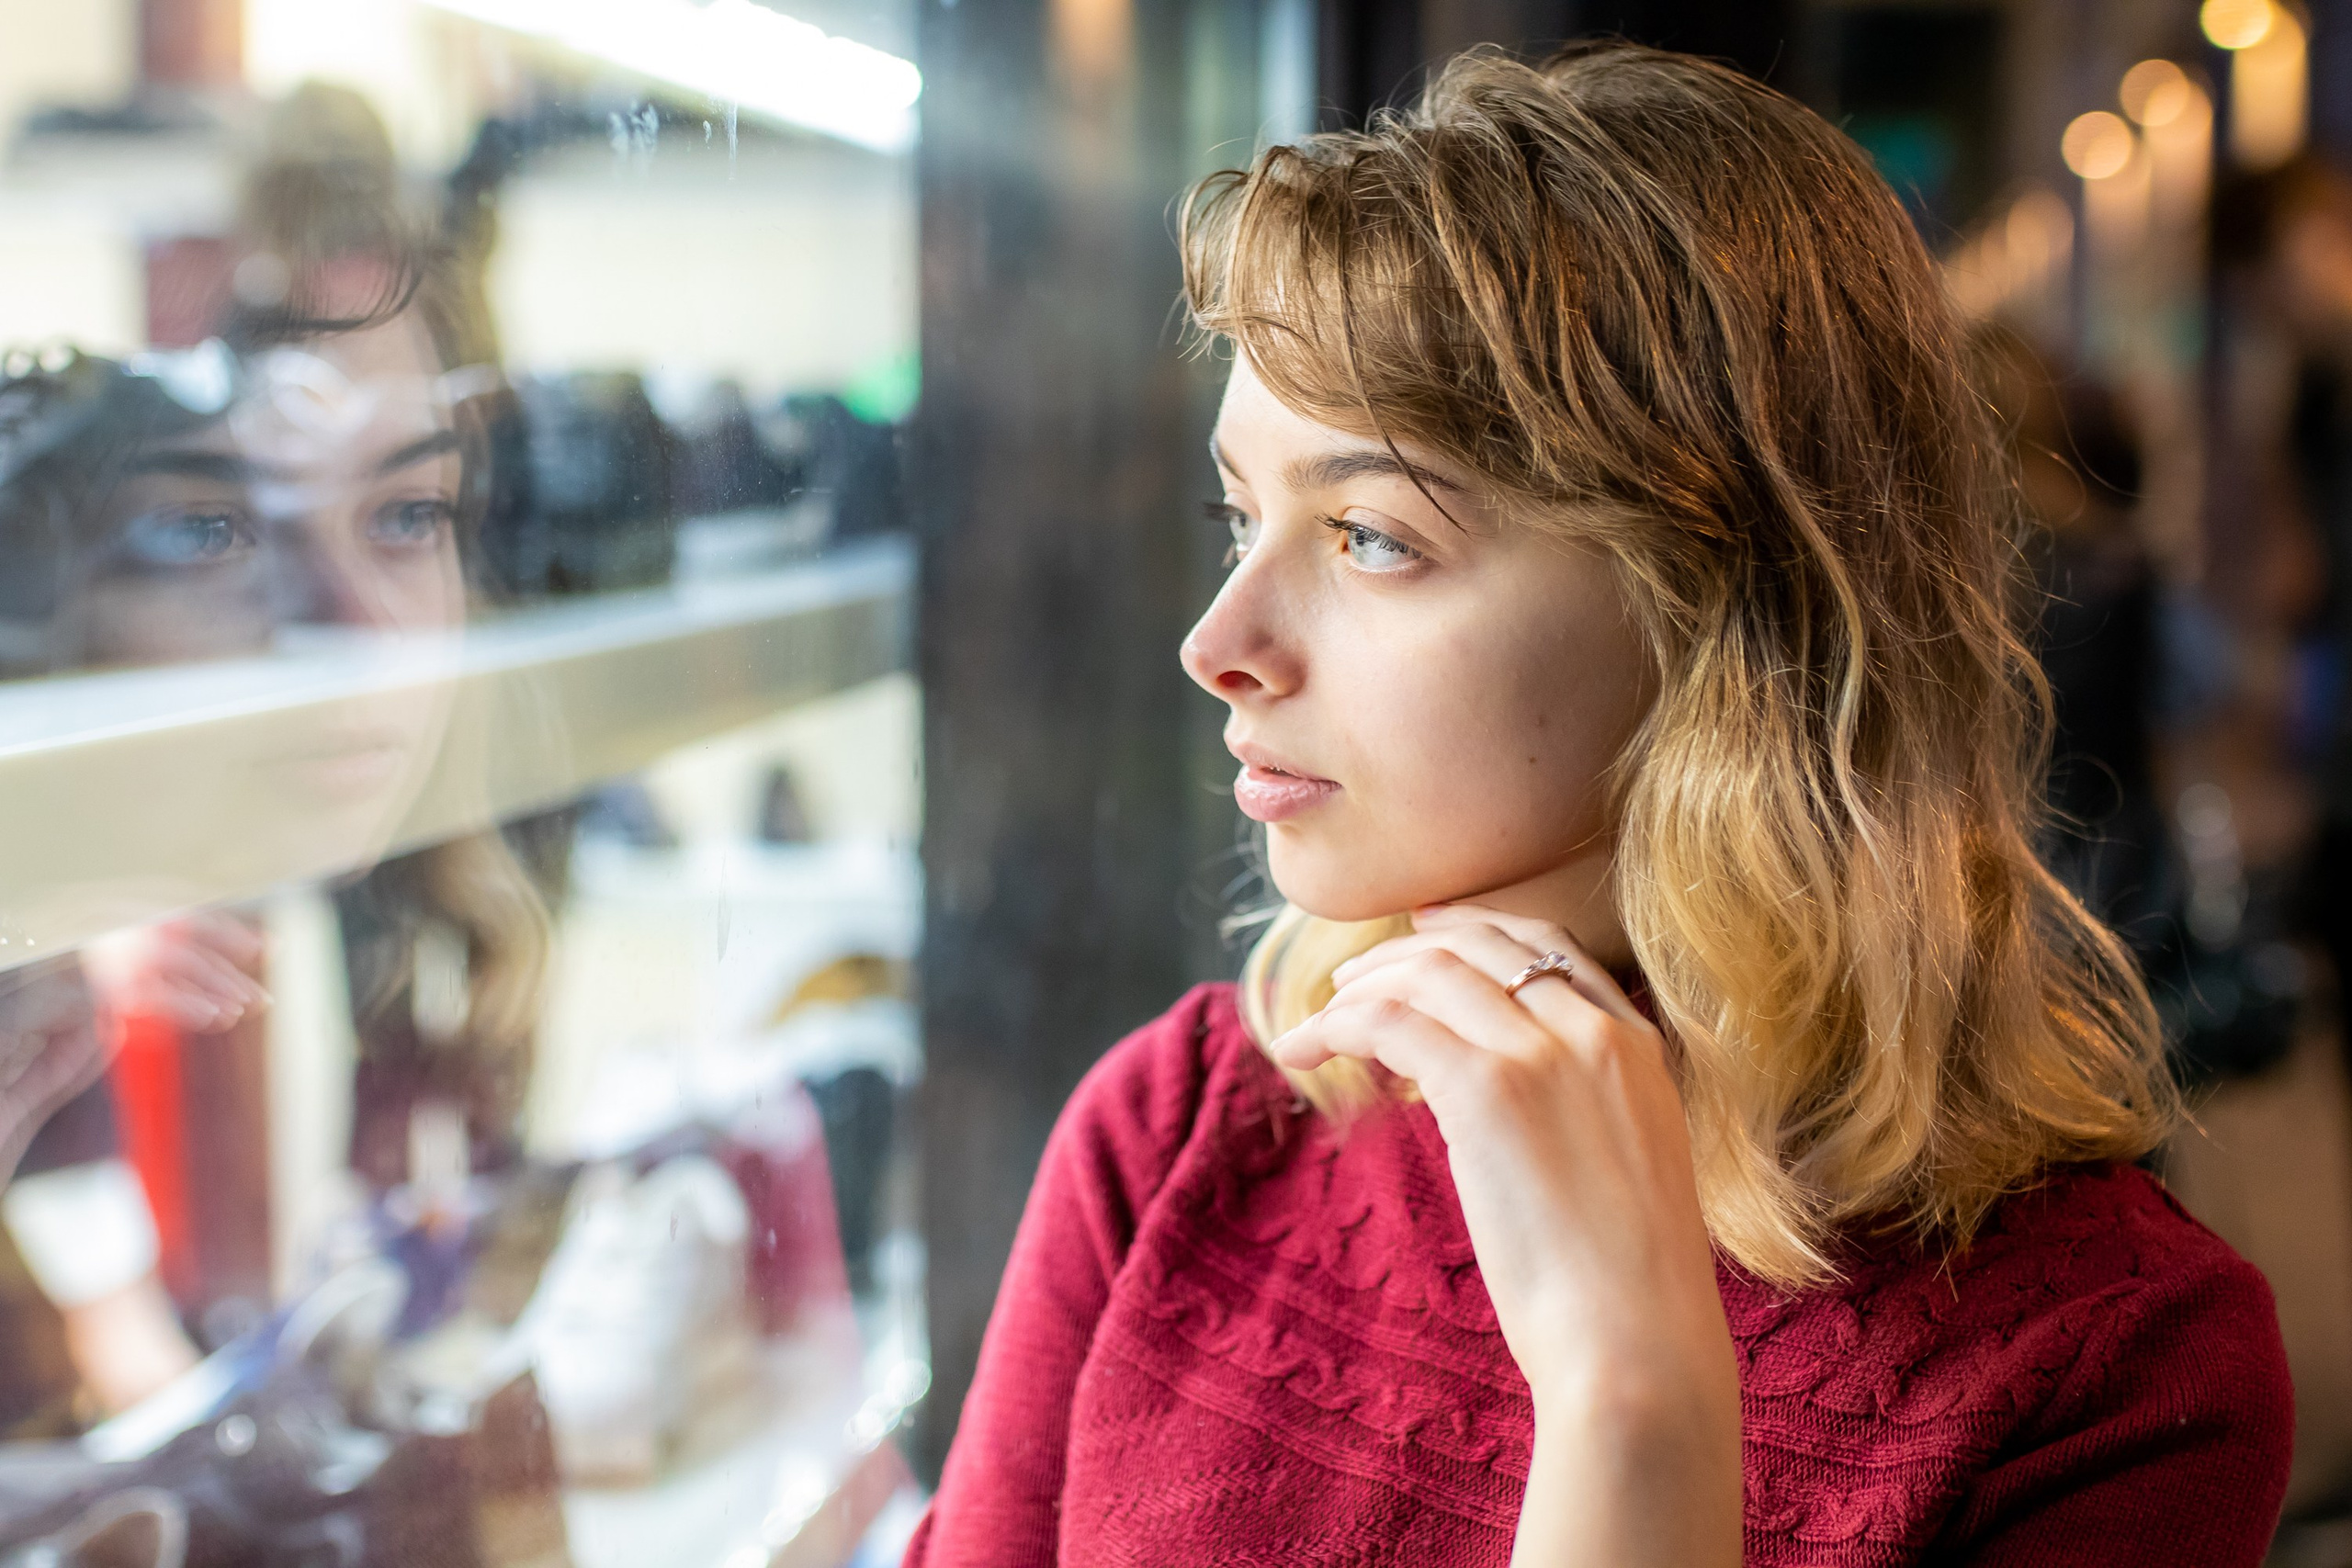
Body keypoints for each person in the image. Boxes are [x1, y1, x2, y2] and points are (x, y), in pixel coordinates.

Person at [908, 44, 2293, 1568]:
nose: (1217, 646)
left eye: (1369, 537)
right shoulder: (1183, 1134)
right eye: (1241, 515)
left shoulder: (2110, 1373)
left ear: (1719, 612)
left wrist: (1632, 1405)